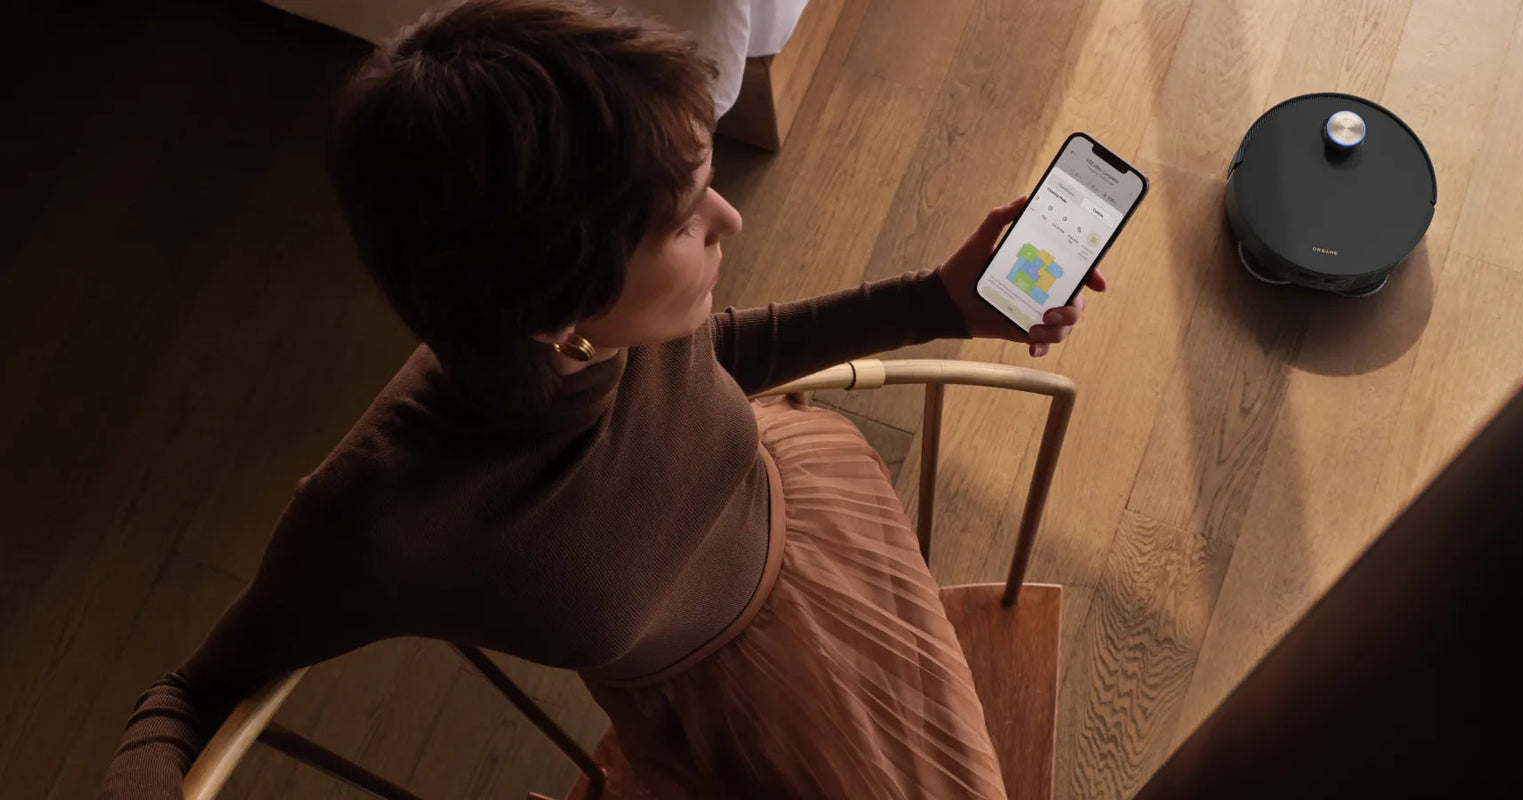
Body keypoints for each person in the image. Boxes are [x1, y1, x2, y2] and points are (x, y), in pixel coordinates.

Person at [98, 1, 1104, 797]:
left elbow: (706, 361)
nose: (731, 219)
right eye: (685, 220)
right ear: (555, 312)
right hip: (725, 704)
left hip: (817, 516)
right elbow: (190, 694)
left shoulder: (598, 326)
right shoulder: (385, 515)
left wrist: (940, 300)